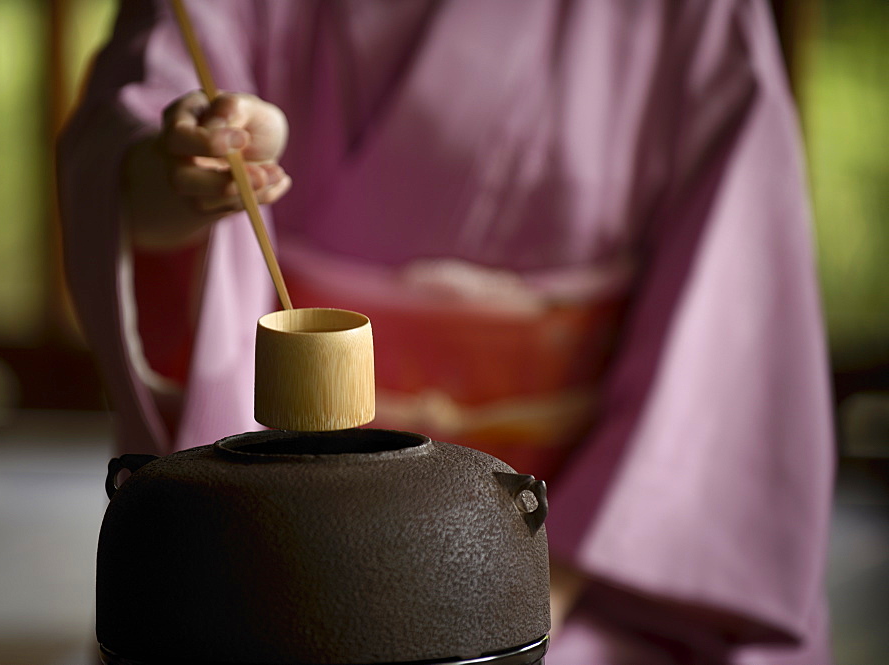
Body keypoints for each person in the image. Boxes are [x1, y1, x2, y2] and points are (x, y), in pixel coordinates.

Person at [58, 1, 835, 662]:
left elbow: (734, 297)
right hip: (275, 547)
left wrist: (526, 586)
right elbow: (130, 129)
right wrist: (178, 177)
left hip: (590, 563)